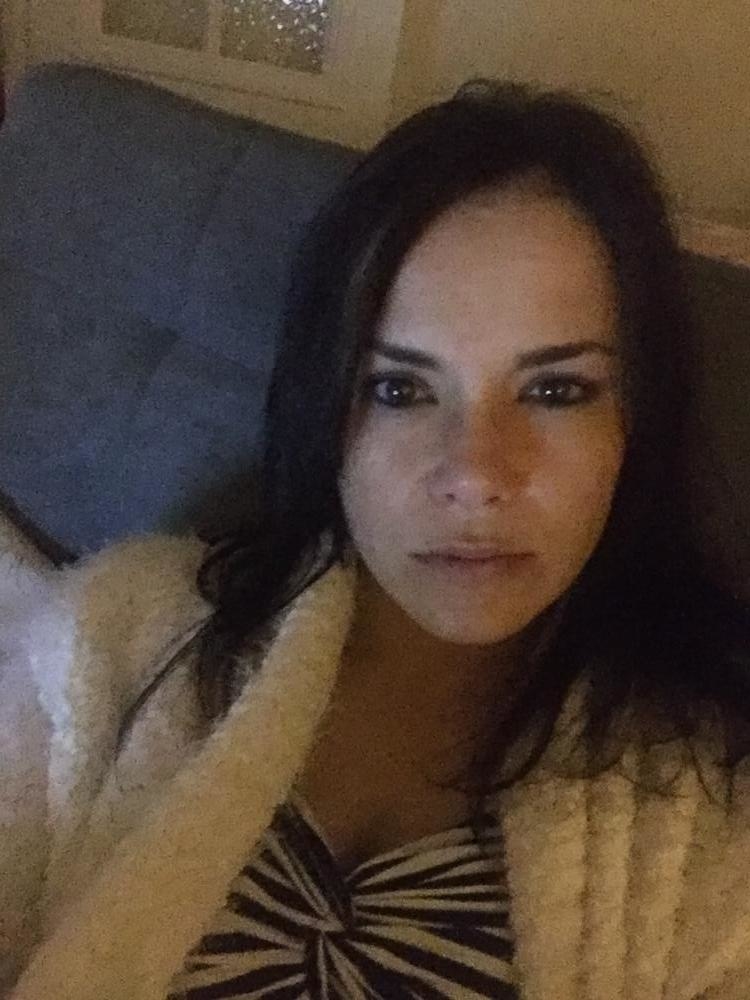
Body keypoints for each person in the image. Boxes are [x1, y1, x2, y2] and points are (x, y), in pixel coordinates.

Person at [3, 78, 750, 1000]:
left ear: (637, 421)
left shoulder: (720, 806)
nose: (475, 473)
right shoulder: (108, 640)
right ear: (326, 411)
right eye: (400, 389)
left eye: (556, 391)